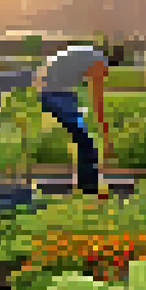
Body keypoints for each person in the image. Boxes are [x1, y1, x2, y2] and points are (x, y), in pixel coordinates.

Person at [33, 43, 117, 195]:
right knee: (86, 141)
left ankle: (87, 184)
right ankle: (89, 189)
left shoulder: (90, 55)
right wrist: (106, 136)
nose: (104, 76)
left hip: (57, 91)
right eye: (106, 73)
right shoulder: (98, 62)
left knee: (83, 138)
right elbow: (97, 100)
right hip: (54, 93)